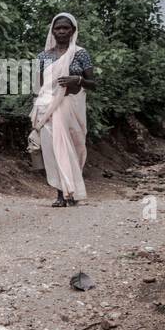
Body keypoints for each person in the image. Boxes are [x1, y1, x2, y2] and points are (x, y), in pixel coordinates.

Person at [31, 13, 95, 207]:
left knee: (75, 148)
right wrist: (38, 110)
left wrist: (79, 80)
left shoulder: (80, 53)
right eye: (57, 28)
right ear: (52, 30)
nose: (61, 31)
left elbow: (94, 84)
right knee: (54, 149)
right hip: (50, 109)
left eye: (65, 28)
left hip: (73, 107)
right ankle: (61, 193)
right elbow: (41, 88)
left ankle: (72, 191)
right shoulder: (43, 56)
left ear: (72, 31)